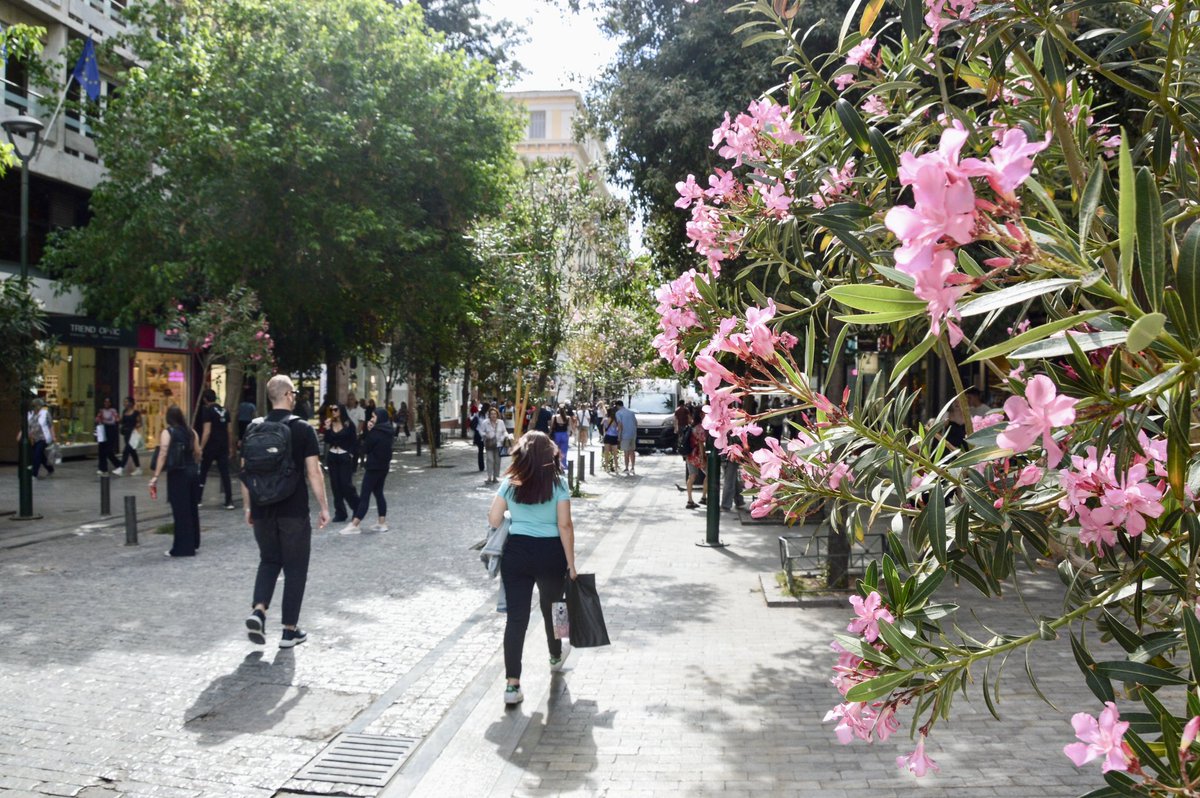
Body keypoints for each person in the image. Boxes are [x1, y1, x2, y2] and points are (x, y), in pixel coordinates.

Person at [487, 431, 578, 706]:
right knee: (556, 607)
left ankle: (512, 686)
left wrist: (516, 515)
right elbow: (565, 525)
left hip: (517, 553)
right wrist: (571, 564)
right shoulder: (559, 483)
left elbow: (493, 518)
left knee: (516, 620)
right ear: (547, 454)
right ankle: (556, 654)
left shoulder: (510, 482)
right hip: (551, 553)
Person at [241, 374, 330, 648]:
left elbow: (246, 472)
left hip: (262, 508)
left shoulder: (254, 428)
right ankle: (289, 632)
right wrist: (324, 507)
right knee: (295, 568)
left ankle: (259, 610)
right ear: (289, 395)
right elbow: (313, 472)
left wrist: (248, 506)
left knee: (269, 561)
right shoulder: (303, 428)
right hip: (292, 509)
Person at [149, 405, 202, 557]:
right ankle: (194, 541)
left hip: (178, 474)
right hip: (192, 472)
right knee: (192, 508)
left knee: (180, 510)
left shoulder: (168, 432)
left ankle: (182, 547)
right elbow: (198, 452)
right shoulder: (191, 432)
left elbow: (163, 453)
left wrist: (156, 475)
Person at [339, 408, 395, 535]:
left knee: (365, 495)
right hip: (383, 467)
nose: (371, 419)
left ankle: (355, 524)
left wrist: (368, 431)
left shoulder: (376, 432)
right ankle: (382, 523)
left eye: (374, 417)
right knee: (379, 493)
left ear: (379, 418)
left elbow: (365, 448)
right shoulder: (388, 431)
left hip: (373, 468)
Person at [197, 389, 234, 509]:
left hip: (210, 446)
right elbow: (229, 431)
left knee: (203, 472)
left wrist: (200, 447)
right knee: (225, 474)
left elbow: (207, 431)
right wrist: (230, 447)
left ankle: (198, 499)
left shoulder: (207, 411)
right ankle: (229, 501)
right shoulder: (225, 411)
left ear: (205, 399)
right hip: (223, 446)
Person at [322, 404, 359, 523]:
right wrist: (327, 429)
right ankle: (340, 512)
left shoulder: (348, 424)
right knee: (335, 486)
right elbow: (327, 440)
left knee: (346, 485)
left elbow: (354, 441)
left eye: (335, 410)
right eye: (331, 409)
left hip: (344, 457)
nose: (333, 412)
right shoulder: (330, 423)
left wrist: (351, 454)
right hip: (333, 457)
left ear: (341, 411)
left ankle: (357, 507)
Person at [24, 398, 55, 479]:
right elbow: (27, 426)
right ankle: (50, 469)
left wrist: (53, 437)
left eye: (36, 406)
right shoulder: (30, 414)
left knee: (37, 455)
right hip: (33, 439)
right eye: (33, 406)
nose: (35, 407)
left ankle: (34, 474)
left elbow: (50, 425)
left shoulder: (45, 413)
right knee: (40, 456)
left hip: (43, 438)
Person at [684, 405, 708, 509]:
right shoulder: (700, 428)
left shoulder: (692, 426)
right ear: (701, 414)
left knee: (691, 476)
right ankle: (703, 497)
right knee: (710, 475)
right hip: (698, 455)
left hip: (690, 455)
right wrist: (703, 458)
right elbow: (701, 444)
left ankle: (689, 500)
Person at [479, 406, 508, 484]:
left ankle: (495, 477)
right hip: (489, 444)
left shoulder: (501, 422)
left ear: (497, 414)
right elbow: (481, 431)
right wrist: (485, 434)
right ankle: (489, 477)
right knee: (490, 460)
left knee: (497, 461)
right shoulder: (485, 422)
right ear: (489, 415)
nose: (493, 415)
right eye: (491, 414)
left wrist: (504, 437)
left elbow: (505, 432)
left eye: (495, 414)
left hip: (499, 444)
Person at [95, 397, 122, 475]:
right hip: (103, 430)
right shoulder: (101, 411)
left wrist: (116, 418)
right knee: (101, 449)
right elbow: (97, 420)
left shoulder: (113, 411)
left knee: (108, 450)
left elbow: (117, 420)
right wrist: (99, 417)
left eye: (108, 402)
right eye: (105, 402)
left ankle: (117, 464)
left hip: (111, 430)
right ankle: (102, 468)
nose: (106, 404)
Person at [119, 397, 143, 476]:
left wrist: (135, 427)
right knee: (132, 451)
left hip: (132, 434)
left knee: (126, 450)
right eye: (124, 402)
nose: (124, 403)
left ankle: (121, 468)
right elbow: (122, 421)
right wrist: (118, 420)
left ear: (131, 403)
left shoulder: (136, 413)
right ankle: (138, 468)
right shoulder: (124, 411)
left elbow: (140, 423)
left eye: (126, 401)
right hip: (126, 433)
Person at [615, 400, 638, 475]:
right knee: (632, 451)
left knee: (626, 452)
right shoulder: (631, 412)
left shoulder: (618, 413)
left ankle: (626, 468)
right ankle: (633, 467)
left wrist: (619, 436)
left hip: (625, 434)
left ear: (617, 406)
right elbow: (636, 423)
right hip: (633, 434)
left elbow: (620, 425)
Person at [550, 405, 572, 470]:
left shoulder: (554, 417)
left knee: (555, 450)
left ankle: (556, 465)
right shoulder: (568, 418)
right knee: (564, 451)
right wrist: (569, 434)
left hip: (556, 435)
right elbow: (569, 428)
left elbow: (551, 426)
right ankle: (564, 465)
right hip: (564, 435)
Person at [601, 405, 620, 474]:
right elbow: (618, 429)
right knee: (615, 453)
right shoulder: (616, 420)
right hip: (614, 437)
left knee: (606, 453)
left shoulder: (605, 419)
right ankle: (616, 468)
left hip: (607, 436)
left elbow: (603, 429)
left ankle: (606, 467)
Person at [471, 402, 488, 472]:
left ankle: (481, 467)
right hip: (485, 435)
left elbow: (472, 425)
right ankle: (487, 466)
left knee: (480, 451)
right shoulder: (487, 415)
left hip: (479, 435)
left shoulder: (478, 415)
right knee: (488, 451)